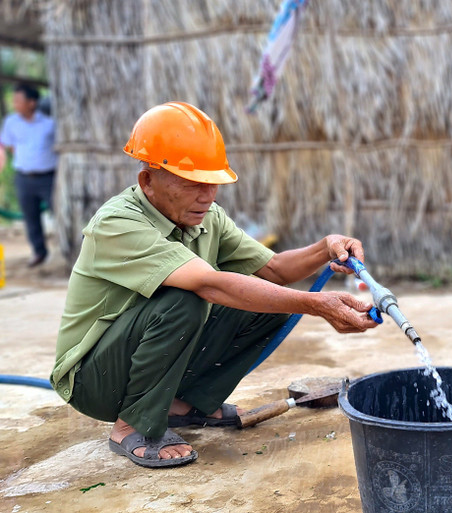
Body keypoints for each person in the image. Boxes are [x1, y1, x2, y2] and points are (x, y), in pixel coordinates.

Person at [50, 101, 379, 468]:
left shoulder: (206, 217)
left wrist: (324, 248)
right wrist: (317, 305)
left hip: (138, 359)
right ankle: (132, 424)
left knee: (272, 300)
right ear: (148, 180)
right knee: (186, 299)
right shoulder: (118, 223)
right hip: (93, 379)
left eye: (211, 184)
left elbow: (273, 270)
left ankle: (181, 404)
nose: (207, 197)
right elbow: (208, 284)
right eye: (193, 184)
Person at [0, 83, 57, 267]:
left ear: (32, 103)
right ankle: (39, 253)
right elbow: (7, 146)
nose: (15, 104)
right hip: (23, 177)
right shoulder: (11, 122)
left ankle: (66, 250)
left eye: (18, 100)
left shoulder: (50, 124)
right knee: (30, 217)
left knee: (59, 212)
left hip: (48, 178)